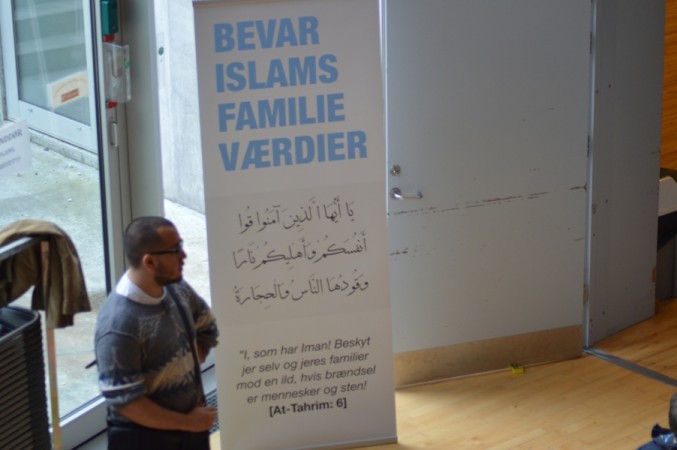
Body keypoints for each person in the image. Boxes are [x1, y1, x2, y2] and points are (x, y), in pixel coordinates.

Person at [95, 216, 219, 450]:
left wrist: (185, 362)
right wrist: (188, 423)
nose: (184, 255)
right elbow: (127, 403)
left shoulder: (177, 288)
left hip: (190, 432)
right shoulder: (118, 326)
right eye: (175, 250)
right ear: (149, 262)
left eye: (181, 246)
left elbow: (207, 327)